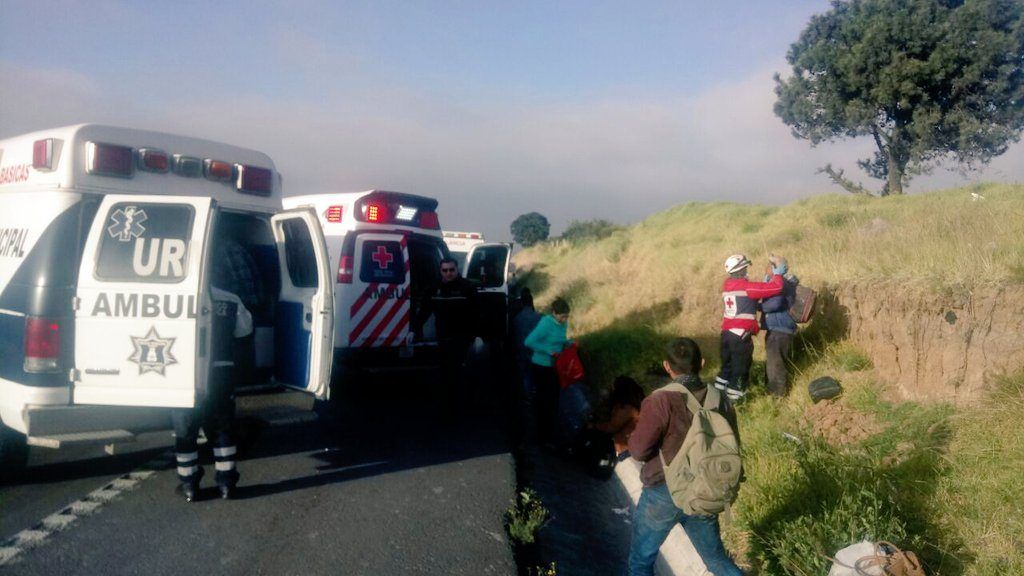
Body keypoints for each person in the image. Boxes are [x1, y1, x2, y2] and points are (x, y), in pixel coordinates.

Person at [628, 338, 744, 576]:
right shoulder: (719, 398)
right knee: (716, 560)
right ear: (701, 363)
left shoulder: (660, 400)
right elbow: (733, 444)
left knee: (641, 561)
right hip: (705, 489)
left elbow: (638, 451)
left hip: (663, 492)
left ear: (666, 366)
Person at [172, 283, 253, 502]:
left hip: (184, 373)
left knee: (185, 429)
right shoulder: (230, 299)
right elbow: (245, 330)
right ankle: (227, 484)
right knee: (222, 428)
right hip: (220, 373)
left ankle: (189, 485)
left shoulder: (174, 296)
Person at [714, 253, 783, 402]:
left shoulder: (727, 285)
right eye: (745, 268)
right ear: (741, 270)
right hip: (740, 337)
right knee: (740, 370)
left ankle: (717, 398)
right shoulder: (747, 287)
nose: (747, 271)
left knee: (726, 368)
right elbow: (776, 287)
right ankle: (736, 403)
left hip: (726, 334)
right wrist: (778, 274)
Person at [432, 257, 479, 412]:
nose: (448, 273)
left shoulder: (468, 287)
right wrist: (414, 328)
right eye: (445, 270)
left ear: (457, 269)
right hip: (443, 338)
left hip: (461, 338)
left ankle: (460, 407)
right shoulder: (435, 287)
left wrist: (475, 335)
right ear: (440, 271)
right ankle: (447, 406)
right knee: (444, 373)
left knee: (458, 373)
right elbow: (426, 308)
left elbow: (476, 313)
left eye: (451, 270)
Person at [523, 297, 571, 445]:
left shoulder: (564, 324)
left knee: (553, 400)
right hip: (541, 366)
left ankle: (549, 432)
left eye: (566, 317)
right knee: (544, 401)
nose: (564, 320)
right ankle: (541, 435)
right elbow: (529, 342)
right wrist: (548, 351)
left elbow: (561, 340)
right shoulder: (545, 323)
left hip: (555, 366)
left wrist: (569, 344)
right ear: (554, 313)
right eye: (562, 317)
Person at [760, 255, 799, 397]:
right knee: (775, 361)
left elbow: (775, 304)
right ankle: (772, 392)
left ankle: (778, 396)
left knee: (776, 363)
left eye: (769, 265)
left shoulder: (780, 283)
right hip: (779, 328)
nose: (766, 268)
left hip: (779, 328)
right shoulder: (781, 282)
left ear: (775, 268)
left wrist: (757, 307)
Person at [510, 288, 542, 401]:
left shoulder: (516, 318)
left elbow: (514, 336)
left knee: (525, 374)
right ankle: (535, 392)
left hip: (522, 350)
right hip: (535, 351)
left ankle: (527, 395)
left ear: (522, 303)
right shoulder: (539, 317)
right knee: (535, 373)